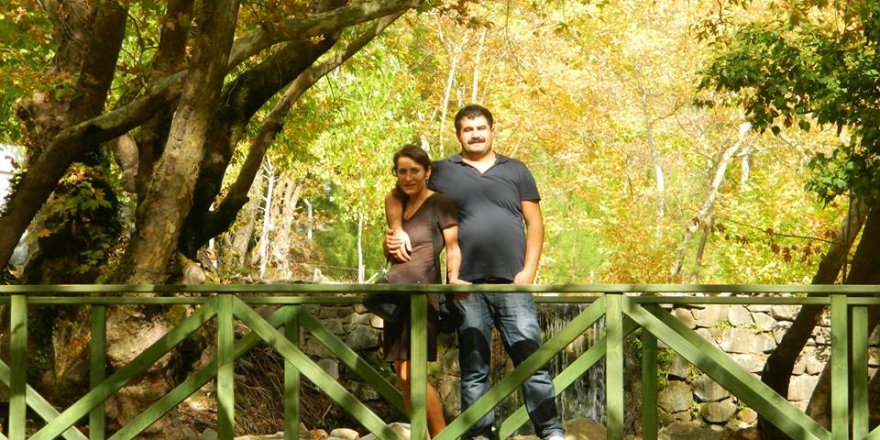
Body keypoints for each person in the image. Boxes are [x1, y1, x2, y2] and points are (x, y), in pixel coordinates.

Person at [385, 105, 564, 440]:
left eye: (481, 128)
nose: (475, 134)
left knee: (531, 361)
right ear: (458, 135)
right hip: (465, 286)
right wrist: (397, 228)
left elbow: (535, 223)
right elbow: (398, 192)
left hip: (512, 284)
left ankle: (550, 431)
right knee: (474, 368)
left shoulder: (517, 170)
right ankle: (480, 434)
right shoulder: (441, 171)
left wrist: (529, 270)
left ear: (492, 130)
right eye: (468, 130)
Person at [383, 144, 468, 438]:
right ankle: (422, 436)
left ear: (427, 172)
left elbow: (453, 247)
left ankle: (441, 435)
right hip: (395, 294)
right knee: (401, 372)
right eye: (402, 171)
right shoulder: (396, 203)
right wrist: (389, 241)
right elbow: (392, 249)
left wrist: (453, 279)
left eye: (414, 171)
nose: (408, 177)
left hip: (422, 296)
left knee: (413, 371)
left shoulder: (441, 203)